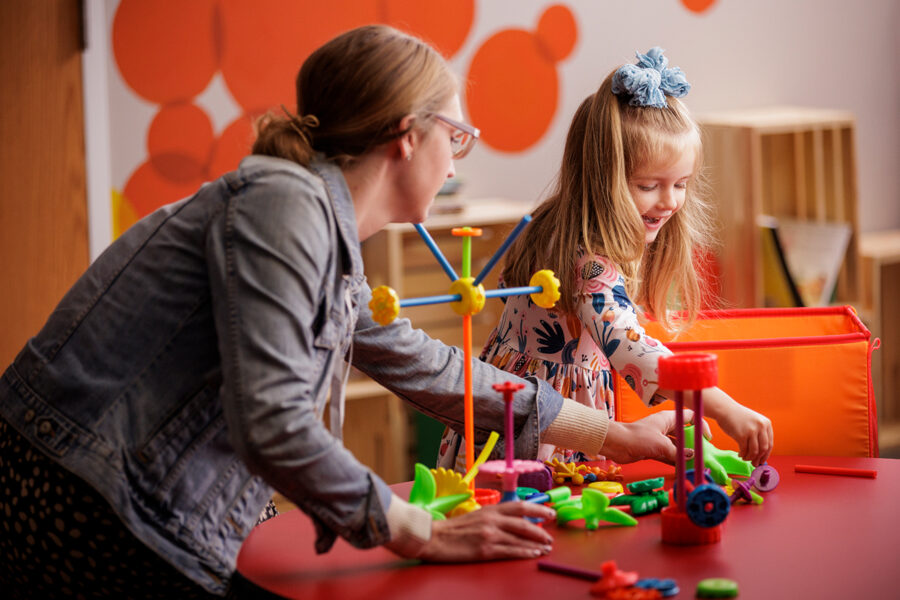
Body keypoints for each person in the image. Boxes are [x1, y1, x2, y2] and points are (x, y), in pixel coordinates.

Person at [0, 30, 701, 598]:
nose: (455, 166)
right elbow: (275, 423)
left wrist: (616, 436)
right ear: (406, 136)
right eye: (454, 138)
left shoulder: (314, 225)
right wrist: (417, 532)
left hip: (128, 495)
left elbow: (423, 364)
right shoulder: (284, 208)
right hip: (88, 497)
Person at [438, 47, 773, 472]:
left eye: (681, 184)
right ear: (601, 177)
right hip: (539, 433)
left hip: (519, 412)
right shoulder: (588, 264)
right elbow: (633, 348)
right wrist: (723, 407)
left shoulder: (552, 225)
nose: (670, 202)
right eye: (649, 185)